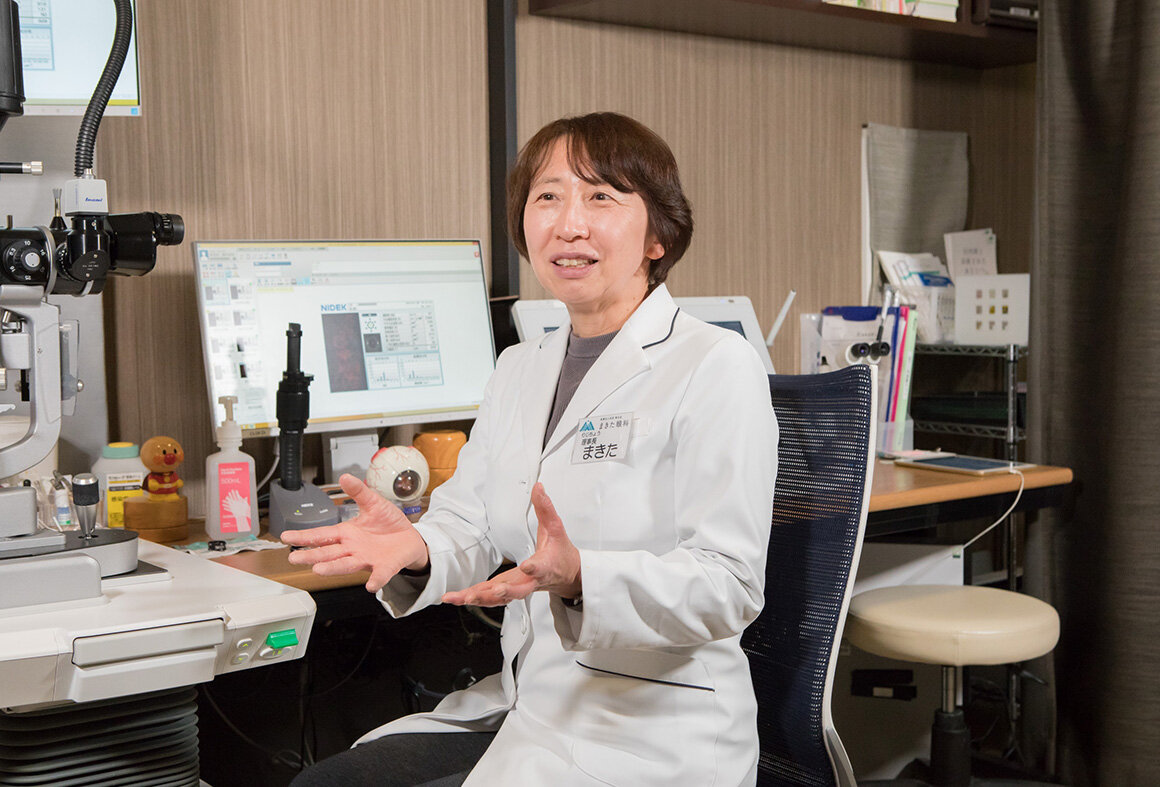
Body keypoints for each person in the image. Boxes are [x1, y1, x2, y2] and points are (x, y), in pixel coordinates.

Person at [283, 112, 778, 786]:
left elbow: (729, 584)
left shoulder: (715, 363)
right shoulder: (521, 366)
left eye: (601, 196)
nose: (569, 223)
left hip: (652, 728)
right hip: (531, 705)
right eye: (548, 196)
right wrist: (418, 545)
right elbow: (473, 521)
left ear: (657, 235)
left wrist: (581, 576)